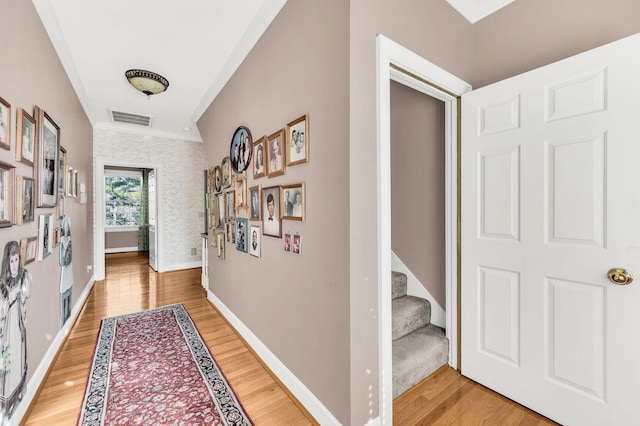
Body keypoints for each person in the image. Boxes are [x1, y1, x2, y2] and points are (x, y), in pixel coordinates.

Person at [0, 241, 32, 417]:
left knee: (19, 359)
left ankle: (19, 390)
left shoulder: (23, 278)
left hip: (18, 327)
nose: (14, 265)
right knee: (7, 363)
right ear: (7, 262)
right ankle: (6, 402)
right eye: (11, 261)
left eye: (17, 260)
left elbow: (27, 292)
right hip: (7, 329)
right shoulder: (3, 286)